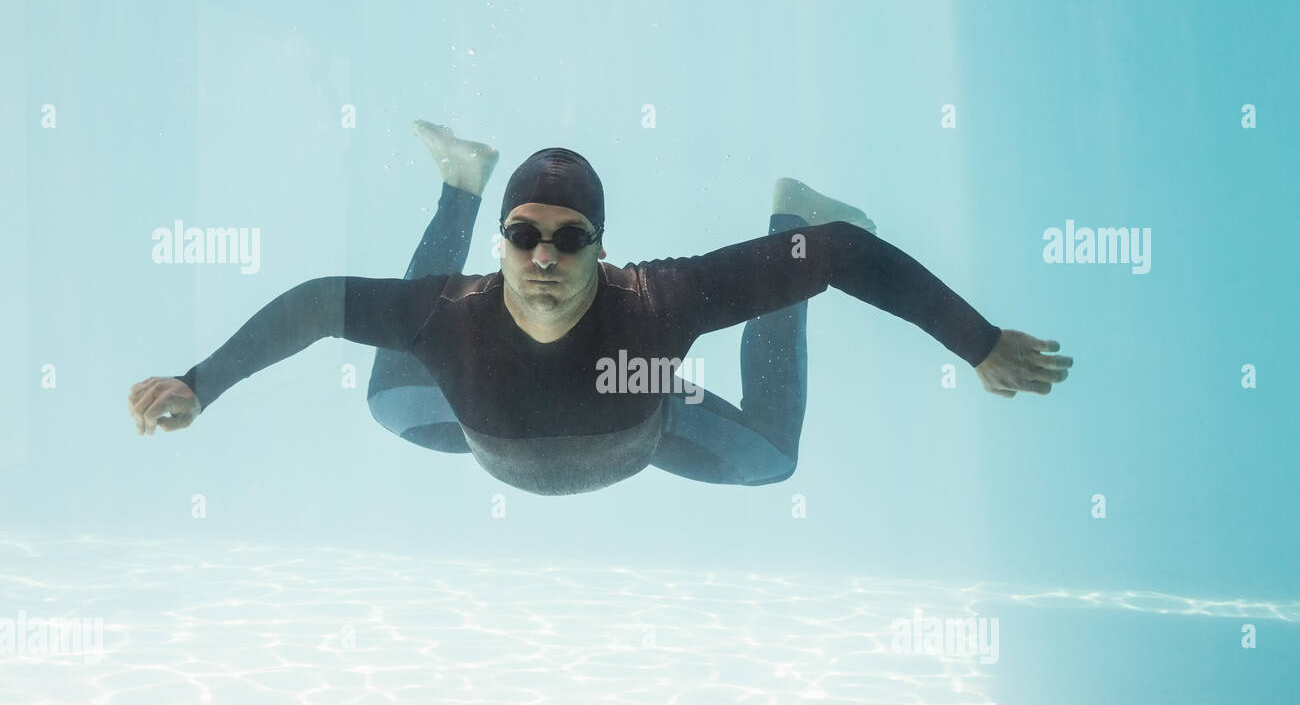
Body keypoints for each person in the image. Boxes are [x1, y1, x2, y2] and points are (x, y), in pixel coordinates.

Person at [127, 121, 1072, 496]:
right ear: (501, 244)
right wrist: (199, 383)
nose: (544, 255)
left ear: (601, 247)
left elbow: (837, 259)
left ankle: (788, 203)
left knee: (774, 461)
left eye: (570, 237)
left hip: (645, 424)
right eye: (522, 233)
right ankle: (465, 183)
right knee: (386, 398)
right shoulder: (445, 313)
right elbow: (314, 306)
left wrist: (977, 343)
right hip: (478, 425)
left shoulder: (656, 306)